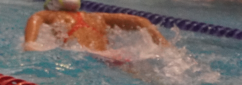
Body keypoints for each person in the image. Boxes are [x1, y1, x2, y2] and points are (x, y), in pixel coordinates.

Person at [23, 0, 169, 52]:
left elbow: (35, 18)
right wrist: (163, 43)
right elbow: (141, 21)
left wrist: (29, 43)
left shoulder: (51, 15)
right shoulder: (97, 17)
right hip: (113, 55)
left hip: (88, 57)